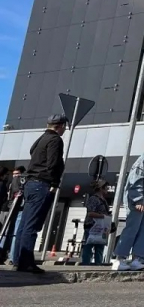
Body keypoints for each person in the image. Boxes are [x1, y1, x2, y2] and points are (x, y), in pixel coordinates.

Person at [15, 115, 68, 273]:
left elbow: (32, 152)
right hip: (42, 184)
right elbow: (53, 162)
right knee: (32, 225)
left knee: (24, 225)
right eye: (64, 126)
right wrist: (54, 183)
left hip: (31, 183)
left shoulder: (41, 139)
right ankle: (26, 263)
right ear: (60, 126)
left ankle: (18, 259)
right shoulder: (55, 140)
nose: (65, 129)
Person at [112, 136, 144, 271]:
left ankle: (137, 258)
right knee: (132, 228)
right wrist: (138, 200)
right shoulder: (142, 161)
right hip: (141, 200)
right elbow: (136, 181)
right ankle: (120, 258)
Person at [81, 179, 110, 265]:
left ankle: (98, 265)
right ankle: (85, 265)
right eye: (106, 188)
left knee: (100, 247)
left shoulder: (103, 200)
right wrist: (103, 216)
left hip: (101, 227)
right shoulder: (94, 199)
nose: (107, 189)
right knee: (88, 246)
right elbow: (90, 213)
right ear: (101, 188)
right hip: (92, 226)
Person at [1, 166, 25, 265]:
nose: (15, 176)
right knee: (11, 233)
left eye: (17, 174)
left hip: (12, 208)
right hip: (13, 208)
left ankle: (6, 255)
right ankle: (11, 257)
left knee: (8, 232)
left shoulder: (12, 182)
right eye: (14, 174)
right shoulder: (14, 182)